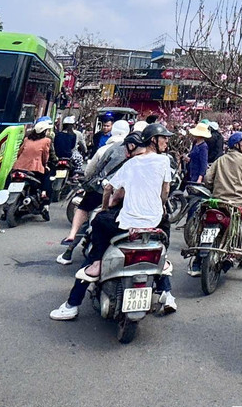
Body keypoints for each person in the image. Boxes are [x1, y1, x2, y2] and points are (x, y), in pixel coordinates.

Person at [51, 124, 178, 320]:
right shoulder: (164, 161)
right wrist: (158, 206)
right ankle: (166, 281)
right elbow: (166, 191)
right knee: (163, 234)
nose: (167, 141)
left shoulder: (130, 164)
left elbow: (111, 190)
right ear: (153, 140)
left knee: (99, 225)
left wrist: (104, 208)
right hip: (154, 222)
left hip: (127, 222)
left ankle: (75, 300)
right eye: (164, 138)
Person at [198, 131, 242, 281]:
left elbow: (208, 179)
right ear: (236, 145)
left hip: (218, 203)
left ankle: (196, 264)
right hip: (238, 204)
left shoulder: (220, 160)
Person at [59, 119, 131, 262]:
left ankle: (71, 242)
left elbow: (90, 171)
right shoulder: (138, 152)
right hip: (123, 193)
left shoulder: (105, 149)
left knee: (84, 209)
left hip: (100, 190)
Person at [187, 122, 212, 187]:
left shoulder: (203, 147)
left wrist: (200, 178)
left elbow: (204, 163)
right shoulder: (196, 144)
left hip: (197, 174)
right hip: (193, 172)